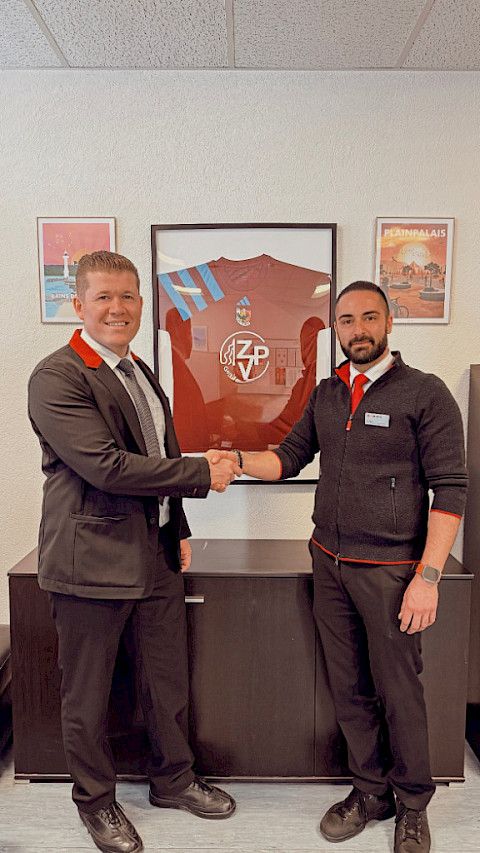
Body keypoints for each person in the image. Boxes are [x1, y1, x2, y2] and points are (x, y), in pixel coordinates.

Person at [214, 281, 467, 853]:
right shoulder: (328, 392)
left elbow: (451, 490)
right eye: (347, 320)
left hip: (392, 571)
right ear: (337, 328)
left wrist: (427, 578)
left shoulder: (424, 393)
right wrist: (235, 460)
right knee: (349, 687)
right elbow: (289, 457)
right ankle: (370, 792)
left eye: (369, 317)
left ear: (390, 323)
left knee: (399, 692)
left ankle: (412, 805)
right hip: (329, 563)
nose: (358, 329)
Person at [28, 251, 241, 853]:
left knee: (166, 682)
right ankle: (96, 803)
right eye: (103, 297)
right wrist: (202, 472)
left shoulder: (139, 369)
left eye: (127, 297)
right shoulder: (57, 376)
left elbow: (157, 454)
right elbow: (108, 467)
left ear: (142, 305)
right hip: (90, 562)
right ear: (78, 304)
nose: (117, 308)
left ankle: (173, 781)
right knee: (88, 695)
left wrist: (179, 530)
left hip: (156, 554)